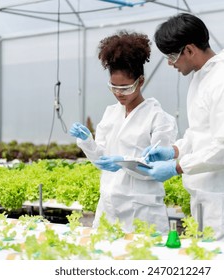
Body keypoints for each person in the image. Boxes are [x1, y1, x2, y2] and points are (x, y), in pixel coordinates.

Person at [138, 13, 224, 242]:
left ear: (190, 50)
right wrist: (174, 150)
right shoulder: (201, 78)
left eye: (172, 56)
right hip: (206, 191)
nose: (170, 63)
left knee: (223, 263)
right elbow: (200, 133)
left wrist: (176, 167)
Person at [69, 30, 178, 234]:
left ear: (141, 81)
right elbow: (102, 160)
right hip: (108, 206)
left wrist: (122, 161)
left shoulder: (158, 118)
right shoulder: (111, 113)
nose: (119, 94)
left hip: (143, 210)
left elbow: (158, 169)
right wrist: (87, 142)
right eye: (114, 87)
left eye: (126, 88)